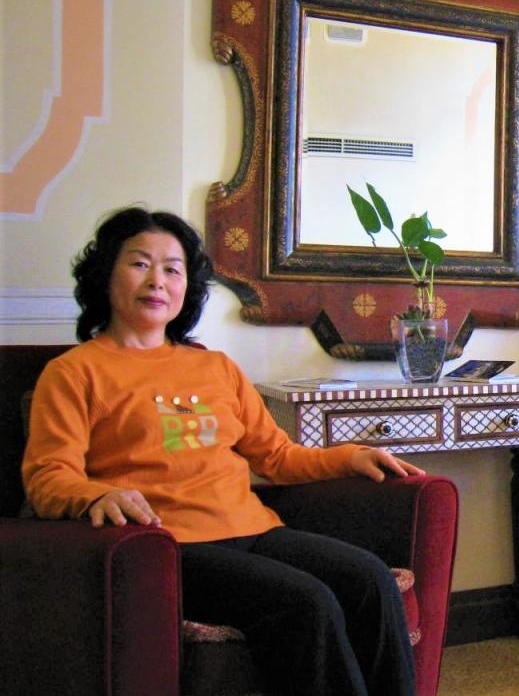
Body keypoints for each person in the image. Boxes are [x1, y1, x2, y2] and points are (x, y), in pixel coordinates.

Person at [21, 206, 425, 696]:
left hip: (253, 530)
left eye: (173, 269)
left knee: (370, 579)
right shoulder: (74, 373)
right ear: (105, 273)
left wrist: (349, 456)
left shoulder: (215, 367)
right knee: (307, 601)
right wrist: (95, 496)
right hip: (168, 545)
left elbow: (277, 457)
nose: (157, 281)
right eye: (140, 263)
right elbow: (47, 477)